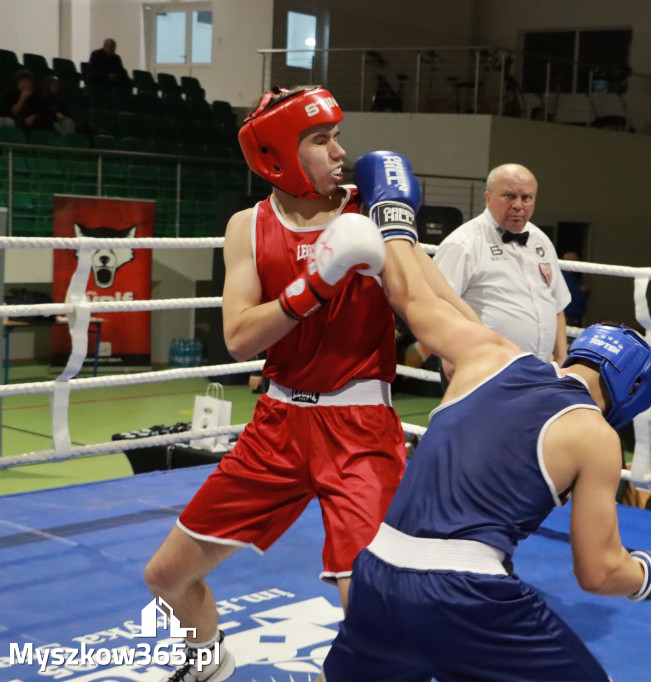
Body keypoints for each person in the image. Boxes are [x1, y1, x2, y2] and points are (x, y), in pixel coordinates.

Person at [143, 86, 475, 682]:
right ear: (280, 156)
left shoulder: (373, 211)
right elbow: (241, 337)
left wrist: (491, 362)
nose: (340, 151)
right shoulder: (248, 227)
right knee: (166, 575)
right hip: (275, 426)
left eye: (336, 136)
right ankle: (208, 658)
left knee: (372, 611)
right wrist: (316, 282)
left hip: (360, 431)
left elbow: (439, 304)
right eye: (321, 140)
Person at [321, 230, 651, 680]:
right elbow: (599, 572)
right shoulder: (594, 433)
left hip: (376, 568)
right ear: (633, 394)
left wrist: (393, 220)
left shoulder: (491, 353)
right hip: (463, 593)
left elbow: (412, 299)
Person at [433, 163, 570, 364]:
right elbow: (437, 307)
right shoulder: (463, 243)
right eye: (509, 196)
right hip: (482, 368)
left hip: (540, 370)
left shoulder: (540, 240)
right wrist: (451, 358)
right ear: (488, 198)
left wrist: (561, 358)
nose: (518, 205)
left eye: (526, 198)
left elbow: (556, 303)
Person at [560, 250, 590, 327]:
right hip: (562, 319)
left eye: (575, 261)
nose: (574, 264)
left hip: (575, 319)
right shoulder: (558, 276)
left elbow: (581, 299)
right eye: (570, 261)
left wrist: (584, 292)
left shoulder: (576, 278)